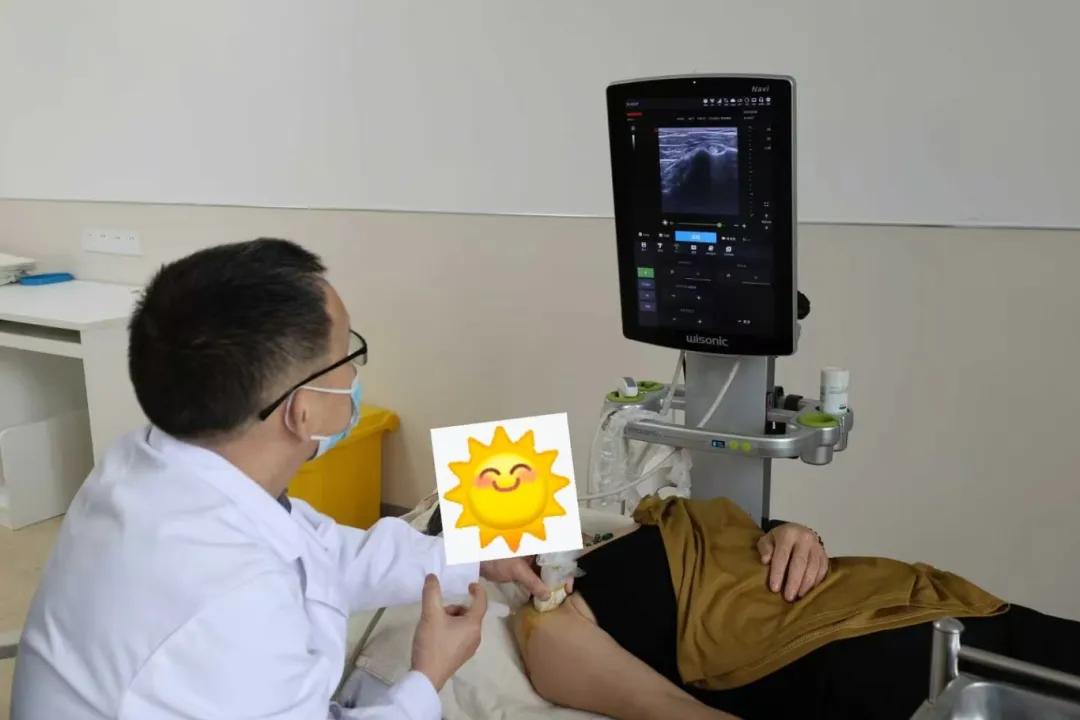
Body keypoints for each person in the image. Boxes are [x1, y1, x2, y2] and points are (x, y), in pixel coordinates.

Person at [12, 239, 550, 720]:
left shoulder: (151, 460)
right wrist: (427, 678)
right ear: (301, 411)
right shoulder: (231, 600)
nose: (354, 376)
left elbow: (318, 554)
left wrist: (468, 557)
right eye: (347, 355)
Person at [506, 495, 1080, 720]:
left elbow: (748, 532)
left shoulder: (650, 518)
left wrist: (793, 534)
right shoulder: (550, 614)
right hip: (873, 673)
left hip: (931, 607)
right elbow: (661, 707)